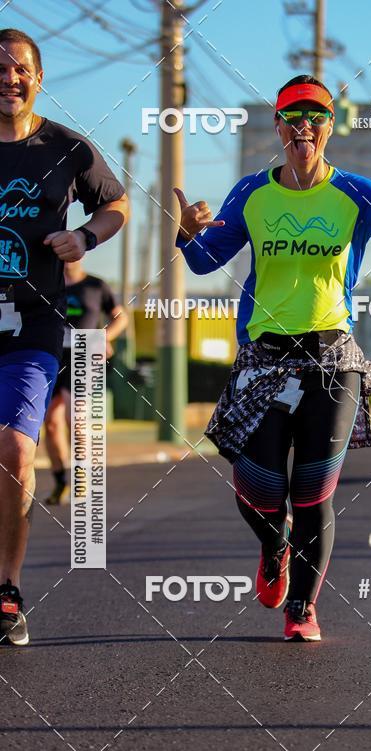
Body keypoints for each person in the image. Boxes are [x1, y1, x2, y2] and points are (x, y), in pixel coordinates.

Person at [174, 74, 371, 642]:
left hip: (333, 359)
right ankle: (274, 544)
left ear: (329, 128)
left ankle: (301, 609)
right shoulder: (252, 192)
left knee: (313, 492)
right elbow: (203, 261)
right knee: (257, 489)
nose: (305, 127)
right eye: (293, 117)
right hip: (264, 359)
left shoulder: (355, 193)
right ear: (278, 127)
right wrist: (187, 234)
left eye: (316, 117)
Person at [0, 29, 128, 646]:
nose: (8, 79)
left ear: (39, 77)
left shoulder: (68, 147)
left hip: (34, 323)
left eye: (19, 69)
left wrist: (86, 236)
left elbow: (117, 204)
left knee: (15, 450)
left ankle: (7, 590)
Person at [44, 260, 128, 505]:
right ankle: (60, 482)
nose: (69, 259)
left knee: (76, 419)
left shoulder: (96, 285)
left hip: (83, 354)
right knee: (51, 422)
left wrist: (104, 337)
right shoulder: (50, 283)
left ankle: (81, 477)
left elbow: (121, 317)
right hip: (52, 353)